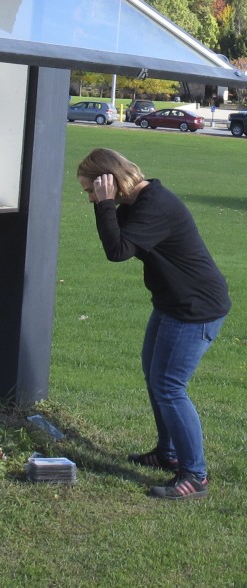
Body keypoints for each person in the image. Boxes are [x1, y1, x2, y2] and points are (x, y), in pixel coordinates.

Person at [76, 147, 230, 500]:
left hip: (195, 308)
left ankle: (195, 475)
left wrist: (103, 205)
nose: (89, 197)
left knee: (170, 387)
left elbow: (117, 251)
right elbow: (121, 242)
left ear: (108, 181)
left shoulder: (153, 204)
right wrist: (109, 205)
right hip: (172, 303)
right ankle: (168, 452)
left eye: (91, 189)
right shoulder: (138, 203)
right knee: (156, 376)